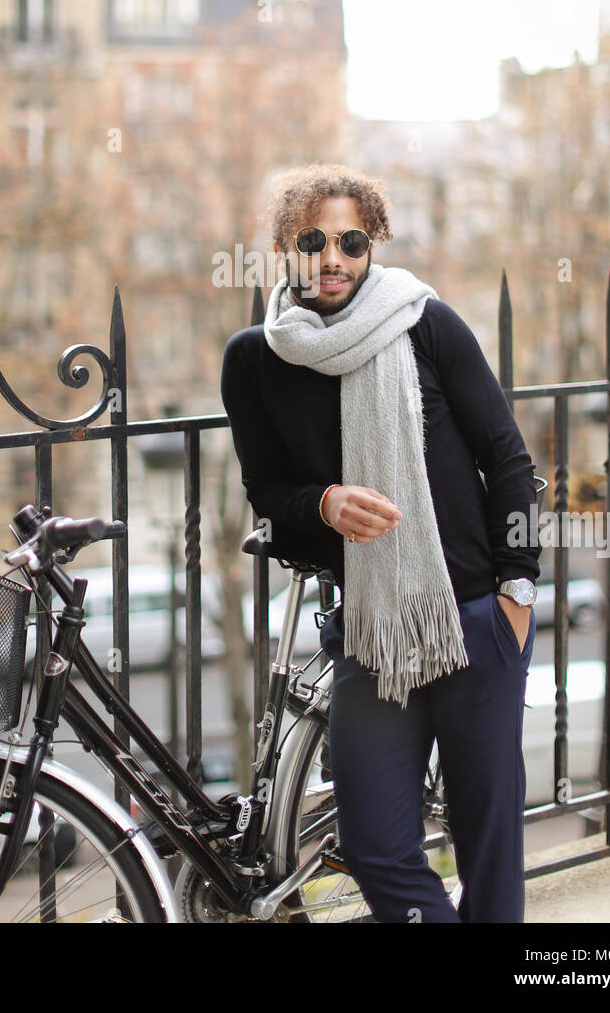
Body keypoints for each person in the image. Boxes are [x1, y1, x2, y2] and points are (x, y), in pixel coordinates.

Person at [220, 162, 541, 923]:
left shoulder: (424, 322)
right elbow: (266, 492)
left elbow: (510, 458)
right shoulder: (255, 360)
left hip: (477, 620)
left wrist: (517, 594)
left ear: (374, 245)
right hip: (371, 629)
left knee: (486, 835)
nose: (332, 257)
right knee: (374, 843)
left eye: (351, 241)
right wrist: (324, 503)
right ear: (283, 247)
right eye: (313, 240)